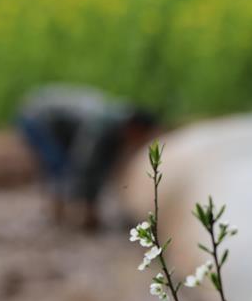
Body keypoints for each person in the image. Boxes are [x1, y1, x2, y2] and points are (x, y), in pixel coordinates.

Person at [16, 84, 157, 231]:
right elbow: (84, 162)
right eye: (140, 136)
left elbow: (104, 165)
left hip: (61, 121)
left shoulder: (117, 126)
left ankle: (65, 214)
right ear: (134, 127)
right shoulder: (100, 125)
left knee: (66, 165)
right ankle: (58, 215)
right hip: (36, 116)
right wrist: (88, 205)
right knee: (57, 164)